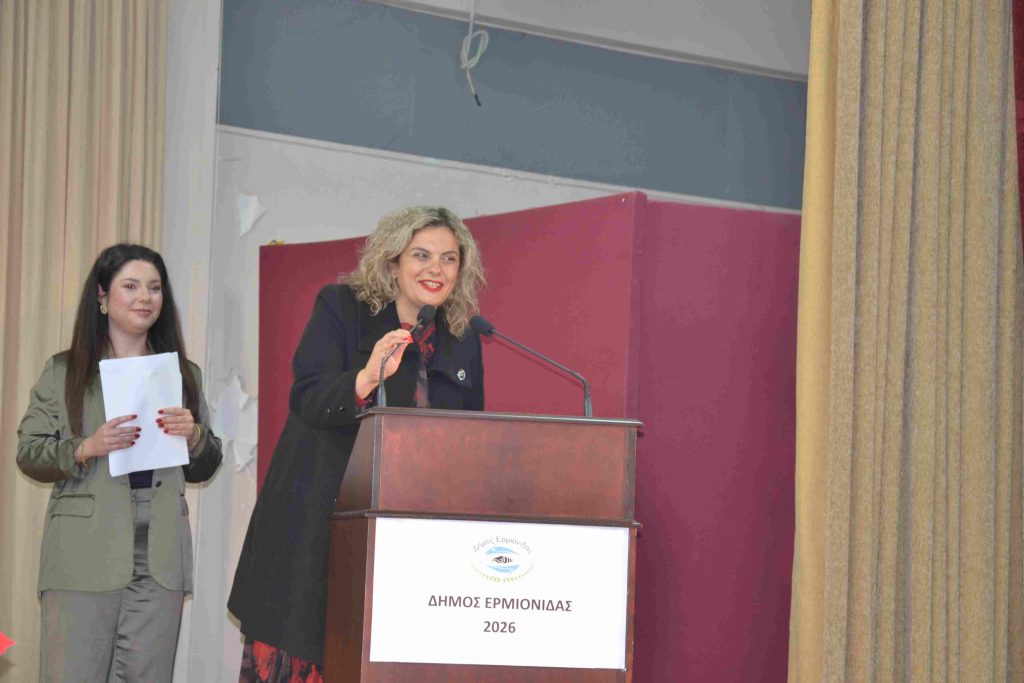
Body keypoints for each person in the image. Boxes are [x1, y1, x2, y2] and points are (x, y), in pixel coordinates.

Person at [229, 206, 486, 681]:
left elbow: (470, 438)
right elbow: (308, 396)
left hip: (407, 545)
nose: (436, 268)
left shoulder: (461, 337)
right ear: (393, 262)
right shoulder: (343, 308)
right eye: (421, 255)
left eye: (449, 258)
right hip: (319, 528)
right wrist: (366, 378)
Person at [16, 244, 223, 682]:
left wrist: (194, 436)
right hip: (83, 551)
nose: (145, 297)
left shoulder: (184, 373)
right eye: (130, 286)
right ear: (103, 297)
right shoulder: (64, 371)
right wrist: (85, 447)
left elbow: (205, 465)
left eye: (154, 288)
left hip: (160, 554)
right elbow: (28, 452)